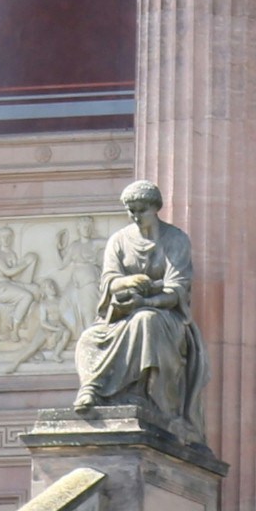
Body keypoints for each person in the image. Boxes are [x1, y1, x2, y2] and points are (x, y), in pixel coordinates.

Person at [71, 180, 204, 439]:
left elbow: (176, 289)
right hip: (122, 314)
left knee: (145, 322)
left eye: (141, 209)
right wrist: (127, 283)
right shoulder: (119, 240)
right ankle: (92, 389)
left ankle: (147, 397)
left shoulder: (176, 240)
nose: (134, 215)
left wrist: (146, 301)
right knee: (89, 338)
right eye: (130, 210)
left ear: (155, 208)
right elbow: (109, 281)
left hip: (164, 316)